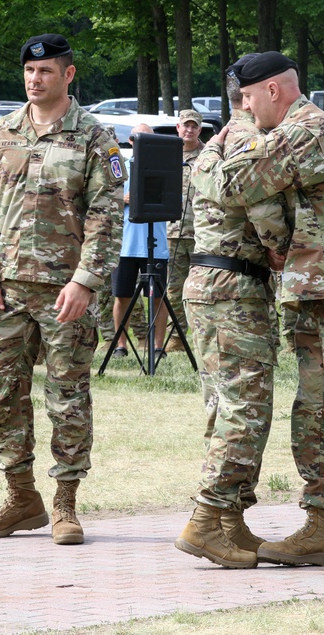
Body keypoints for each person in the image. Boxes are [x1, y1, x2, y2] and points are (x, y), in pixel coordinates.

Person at [185, 52, 324, 577]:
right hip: (313, 290)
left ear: (275, 92)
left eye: (247, 99)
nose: (242, 110)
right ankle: (320, 525)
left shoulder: (306, 130)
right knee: (315, 413)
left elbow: (233, 187)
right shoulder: (279, 131)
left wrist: (206, 158)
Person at [0, 34, 123, 545]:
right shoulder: (2, 134)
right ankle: (20, 498)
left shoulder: (95, 137)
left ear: (68, 75)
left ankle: (64, 503)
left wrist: (86, 280)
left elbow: (106, 215)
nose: (36, 80)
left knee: (68, 399)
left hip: (65, 292)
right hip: (8, 289)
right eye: (30, 73)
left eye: (47, 72)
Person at [175, 58, 290, 568]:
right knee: (247, 409)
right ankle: (206, 519)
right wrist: (284, 248)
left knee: (225, 408)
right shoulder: (248, 143)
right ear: (249, 98)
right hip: (234, 284)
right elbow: (265, 214)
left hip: (209, 281)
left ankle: (230, 521)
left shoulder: (214, 143)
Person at [111, 123, 169, 358]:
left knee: (156, 298)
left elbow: (172, 200)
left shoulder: (164, 168)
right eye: (139, 138)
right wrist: (123, 199)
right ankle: (120, 345)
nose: (144, 143)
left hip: (155, 244)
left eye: (149, 138)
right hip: (125, 245)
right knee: (122, 296)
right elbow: (102, 198)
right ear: (132, 141)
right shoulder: (119, 169)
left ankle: (157, 347)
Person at [164, 109, 204, 351]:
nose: (189, 130)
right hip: (173, 231)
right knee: (174, 288)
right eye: (185, 125)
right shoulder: (167, 155)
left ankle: (201, 336)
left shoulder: (209, 155)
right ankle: (176, 337)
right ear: (177, 128)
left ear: (200, 130)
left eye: (194, 126)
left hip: (202, 234)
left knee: (201, 290)